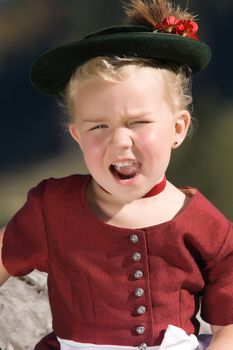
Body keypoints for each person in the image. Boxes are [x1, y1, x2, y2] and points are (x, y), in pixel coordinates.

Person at [1, 0, 233, 349]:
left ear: (178, 128)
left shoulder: (208, 227)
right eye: (98, 126)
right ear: (77, 135)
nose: (119, 140)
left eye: (138, 122)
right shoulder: (52, 209)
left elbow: (228, 328)